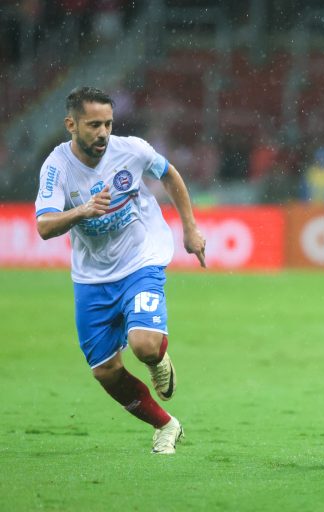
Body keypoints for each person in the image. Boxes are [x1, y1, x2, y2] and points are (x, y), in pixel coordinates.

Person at [34, 87, 206, 454]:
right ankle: (166, 425)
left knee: (143, 344)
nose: (103, 133)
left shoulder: (132, 150)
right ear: (71, 124)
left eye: (108, 124)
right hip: (92, 276)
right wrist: (82, 211)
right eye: (94, 124)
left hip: (140, 257)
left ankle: (157, 358)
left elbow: (169, 174)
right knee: (105, 371)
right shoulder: (57, 167)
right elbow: (45, 226)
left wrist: (190, 228)